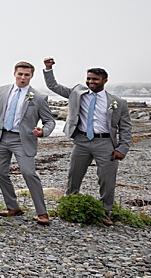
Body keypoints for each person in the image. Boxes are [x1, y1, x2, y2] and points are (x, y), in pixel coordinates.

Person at [43, 58, 132, 226]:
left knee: (107, 179)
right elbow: (54, 86)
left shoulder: (117, 102)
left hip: (105, 142)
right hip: (81, 140)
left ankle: (105, 212)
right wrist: (48, 68)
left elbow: (126, 127)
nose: (91, 82)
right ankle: (69, 206)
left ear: (105, 81)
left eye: (95, 79)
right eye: (89, 78)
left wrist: (123, 148)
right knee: (74, 175)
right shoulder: (77, 93)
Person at [0, 61, 56, 225]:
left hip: (23, 140)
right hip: (1, 137)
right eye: (20, 74)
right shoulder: (1, 91)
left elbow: (50, 121)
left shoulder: (38, 97)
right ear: (14, 74)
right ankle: (13, 206)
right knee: (0, 173)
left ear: (31, 76)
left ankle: (42, 213)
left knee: (28, 173)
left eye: (26, 75)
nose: (23, 77)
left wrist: (43, 131)